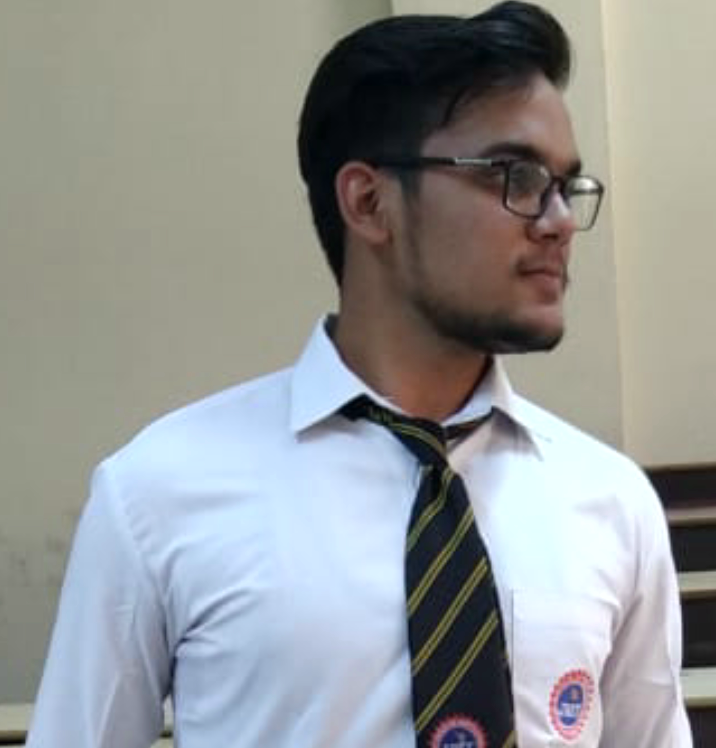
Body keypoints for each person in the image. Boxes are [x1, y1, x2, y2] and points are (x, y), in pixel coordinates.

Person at [28, 2, 692, 747]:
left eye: (567, 186)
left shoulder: (610, 502)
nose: (558, 220)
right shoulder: (159, 494)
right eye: (516, 175)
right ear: (369, 202)